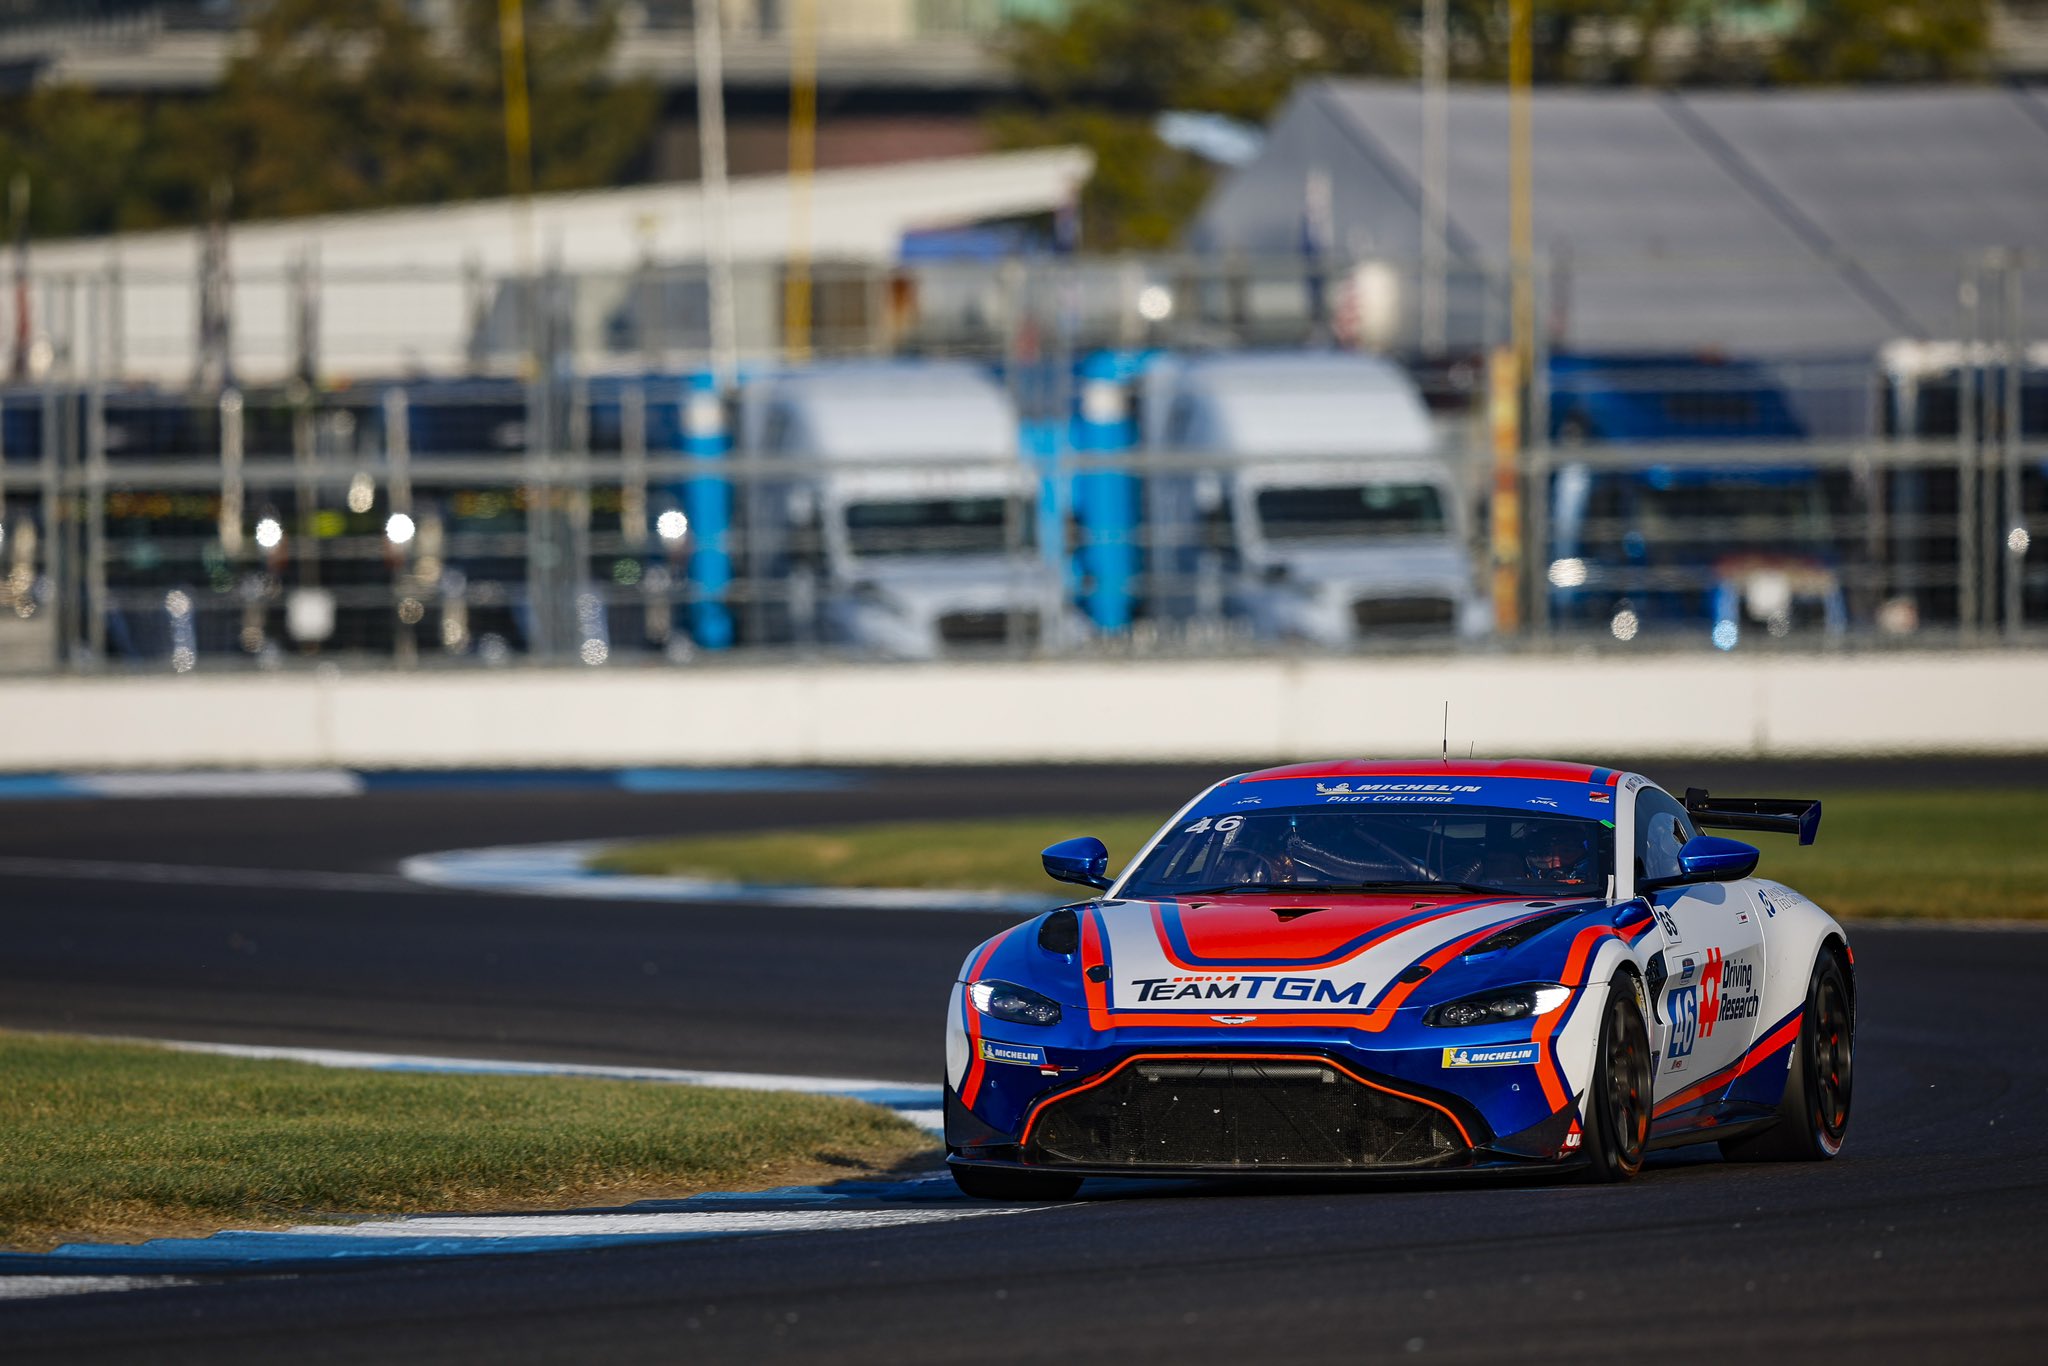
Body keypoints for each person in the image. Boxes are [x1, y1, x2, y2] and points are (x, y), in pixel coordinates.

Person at [1522, 822, 1597, 888]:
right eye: (1545, 854)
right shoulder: (1515, 888)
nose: (1557, 864)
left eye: (1567, 851)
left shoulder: (1604, 891)